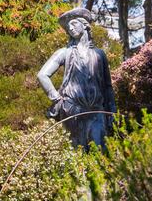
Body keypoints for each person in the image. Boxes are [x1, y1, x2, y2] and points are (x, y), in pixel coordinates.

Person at [37, 8, 116, 150]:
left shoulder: (100, 54)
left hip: (97, 109)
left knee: (100, 152)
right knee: (76, 152)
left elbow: (107, 86)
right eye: (68, 27)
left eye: (73, 24)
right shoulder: (64, 53)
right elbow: (42, 75)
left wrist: (112, 110)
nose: (70, 28)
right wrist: (55, 97)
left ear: (84, 25)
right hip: (72, 109)